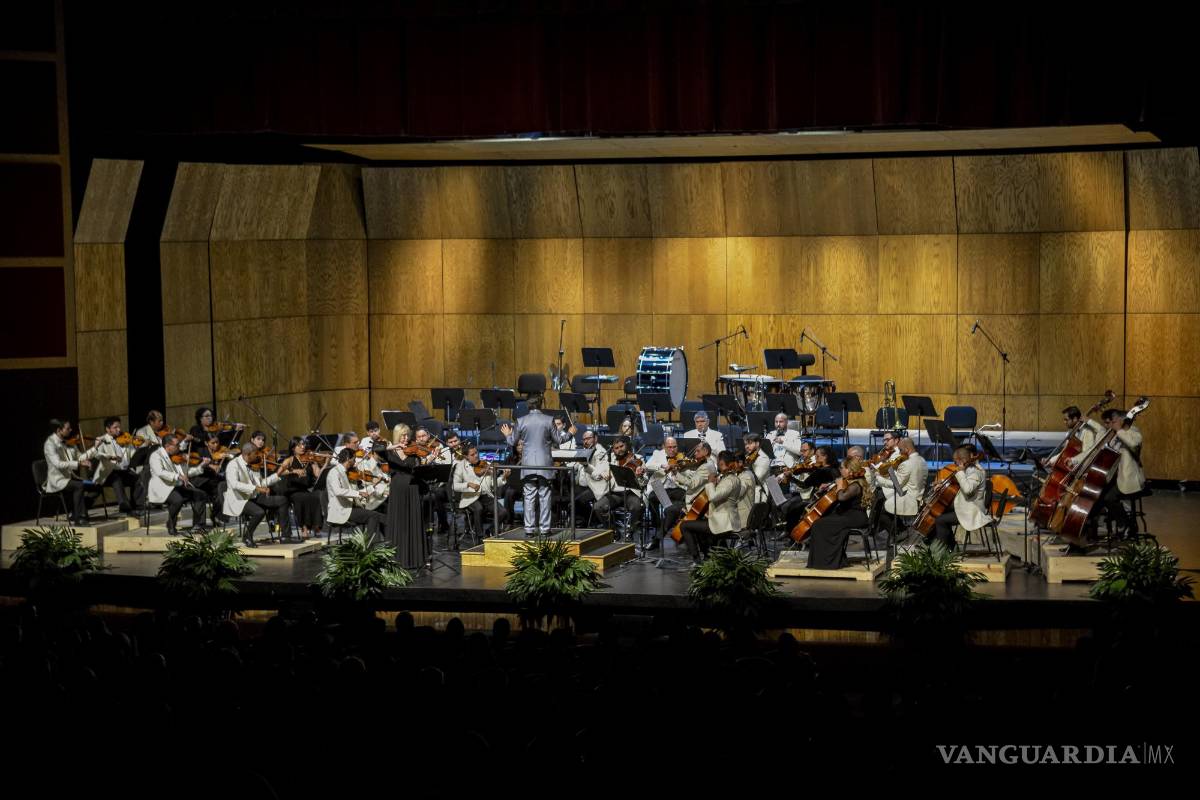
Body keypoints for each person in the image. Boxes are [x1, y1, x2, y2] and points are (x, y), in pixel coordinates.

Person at [500, 395, 576, 536]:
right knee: (544, 496)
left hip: (528, 464)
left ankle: (529, 529)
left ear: (528, 406)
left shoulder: (521, 420)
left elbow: (512, 442)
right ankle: (544, 529)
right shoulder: (548, 420)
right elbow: (559, 440)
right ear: (541, 404)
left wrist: (507, 435)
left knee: (528, 496)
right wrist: (570, 433)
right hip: (544, 464)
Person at [805, 456, 874, 570]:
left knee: (819, 525)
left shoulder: (856, 485)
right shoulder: (850, 482)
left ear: (850, 469)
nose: (840, 470)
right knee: (821, 522)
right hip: (848, 515)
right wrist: (831, 487)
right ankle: (831, 559)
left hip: (855, 517)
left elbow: (841, 497)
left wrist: (840, 486)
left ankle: (826, 562)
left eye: (842, 468)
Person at [678, 451, 744, 563]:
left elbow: (713, 497)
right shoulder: (731, 479)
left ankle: (697, 561)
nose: (717, 465)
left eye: (719, 463)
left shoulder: (729, 481)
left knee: (684, 526)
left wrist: (710, 483)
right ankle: (707, 556)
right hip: (726, 519)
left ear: (725, 464)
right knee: (697, 523)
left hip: (724, 523)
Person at [223, 444, 289, 547]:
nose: (258, 456)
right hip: (238, 499)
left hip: (253, 496)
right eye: (256, 453)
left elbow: (261, 484)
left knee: (282, 500)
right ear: (248, 454)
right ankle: (247, 536)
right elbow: (234, 484)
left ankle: (286, 536)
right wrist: (256, 488)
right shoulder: (233, 465)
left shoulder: (253, 465)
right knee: (259, 512)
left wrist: (278, 474)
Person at [147, 435, 210, 535]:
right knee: (177, 499)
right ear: (168, 445)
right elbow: (160, 472)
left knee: (200, 494)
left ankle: (198, 525)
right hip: (162, 488)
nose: (179, 447)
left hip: (176, 486)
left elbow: (186, 473)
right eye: (177, 445)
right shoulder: (156, 455)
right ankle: (171, 524)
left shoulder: (176, 456)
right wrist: (177, 476)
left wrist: (201, 465)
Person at [930, 445, 989, 551]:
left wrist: (960, 472)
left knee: (940, 520)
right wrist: (942, 483)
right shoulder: (968, 470)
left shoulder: (975, 472)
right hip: (966, 506)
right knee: (940, 512)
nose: (954, 464)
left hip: (972, 511)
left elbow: (967, 489)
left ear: (961, 461)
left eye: (955, 461)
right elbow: (958, 482)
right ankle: (951, 548)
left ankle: (942, 552)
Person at [272, 437, 326, 539]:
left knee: (315, 496)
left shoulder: (310, 459)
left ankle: (316, 527)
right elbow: (279, 473)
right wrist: (293, 471)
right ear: (293, 448)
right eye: (299, 445)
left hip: (304, 489)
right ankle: (304, 528)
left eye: (303, 444)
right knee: (301, 498)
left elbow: (318, 474)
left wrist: (325, 463)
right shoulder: (290, 460)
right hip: (292, 490)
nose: (302, 447)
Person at [42, 419, 94, 525]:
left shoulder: (69, 442)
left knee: (95, 486)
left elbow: (80, 457)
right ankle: (80, 517)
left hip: (70, 477)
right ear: (59, 430)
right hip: (58, 479)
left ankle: (75, 512)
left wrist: (95, 448)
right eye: (68, 428)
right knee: (79, 486)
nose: (71, 430)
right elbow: (58, 464)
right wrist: (78, 464)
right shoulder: (50, 444)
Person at [451, 445, 509, 541]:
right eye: (472, 454)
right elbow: (454, 486)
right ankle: (480, 536)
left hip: (485, 495)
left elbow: (492, 484)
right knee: (478, 508)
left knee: (502, 512)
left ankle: (489, 530)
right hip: (470, 497)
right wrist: (468, 484)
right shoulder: (460, 467)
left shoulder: (485, 464)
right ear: (466, 457)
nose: (476, 456)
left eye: (476, 453)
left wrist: (504, 477)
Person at [325, 448, 385, 537]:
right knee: (374, 516)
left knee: (383, 518)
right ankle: (370, 545)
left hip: (352, 507)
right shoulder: (334, 472)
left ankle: (391, 538)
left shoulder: (349, 473)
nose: (355, 461)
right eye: (354, 458)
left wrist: (373, 485)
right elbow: (337, 491)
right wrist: (358, 494)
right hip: (341, 510)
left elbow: (359, 492)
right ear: (348, 458)